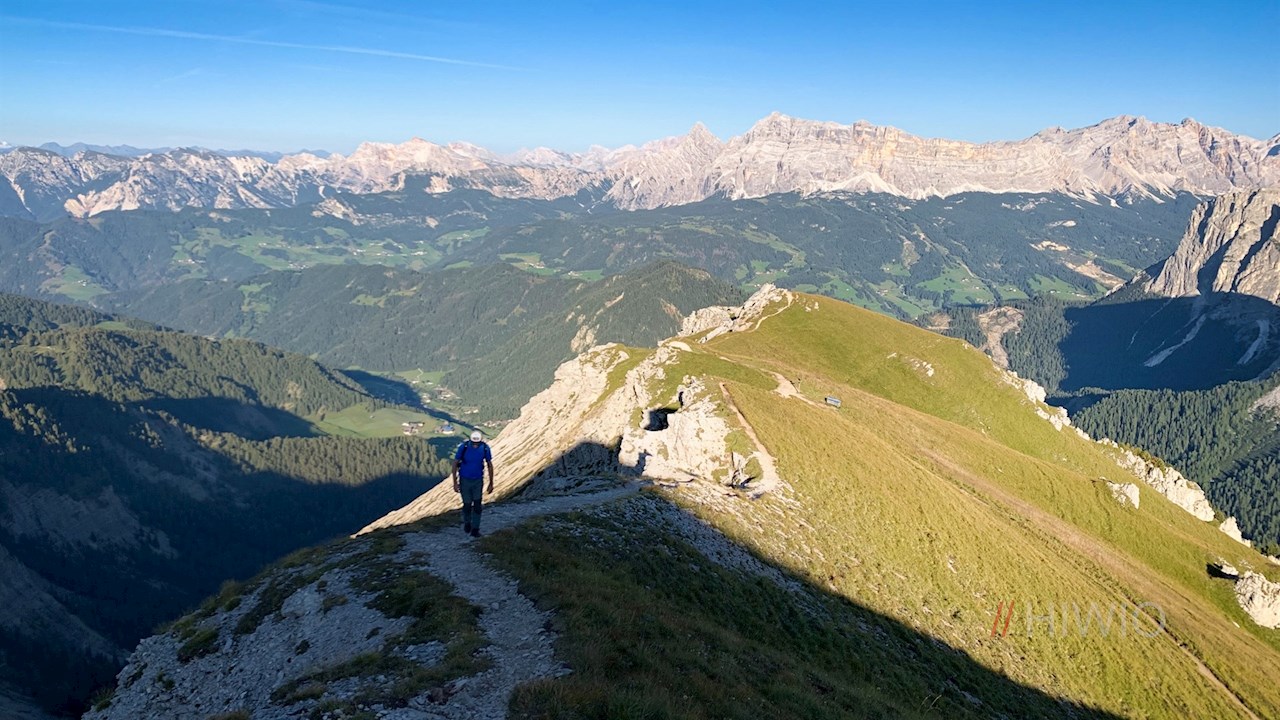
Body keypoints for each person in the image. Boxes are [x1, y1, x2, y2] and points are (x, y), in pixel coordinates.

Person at [453, 430, 494, 537]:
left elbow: (489, 464)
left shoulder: (485, 448)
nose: (475, 445)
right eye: (474, 443)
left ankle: (475, 529)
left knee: (477, 505)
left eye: (477, 443)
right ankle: (467, 522)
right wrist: (455, 482)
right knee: (467, 505)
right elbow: (455, 463)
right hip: (464, 480)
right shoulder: (464, 447)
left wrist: (491, 483)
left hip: (477, 481)